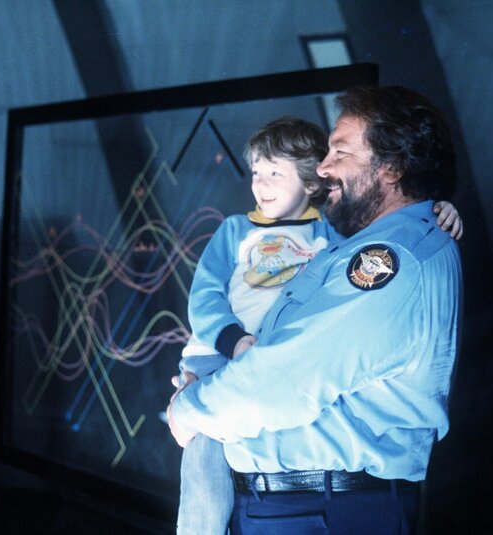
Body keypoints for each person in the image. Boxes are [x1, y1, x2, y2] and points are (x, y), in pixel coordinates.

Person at [172, 104, 462, 534]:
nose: (324, 168)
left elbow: (282, 382)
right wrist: (228, 342)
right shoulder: (329, 241)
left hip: (316, 508)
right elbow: (206, 296)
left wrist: (188, 409)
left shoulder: (383, 254)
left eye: (340, 152)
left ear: (392, 168)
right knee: (202, 486)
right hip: (298, 497)